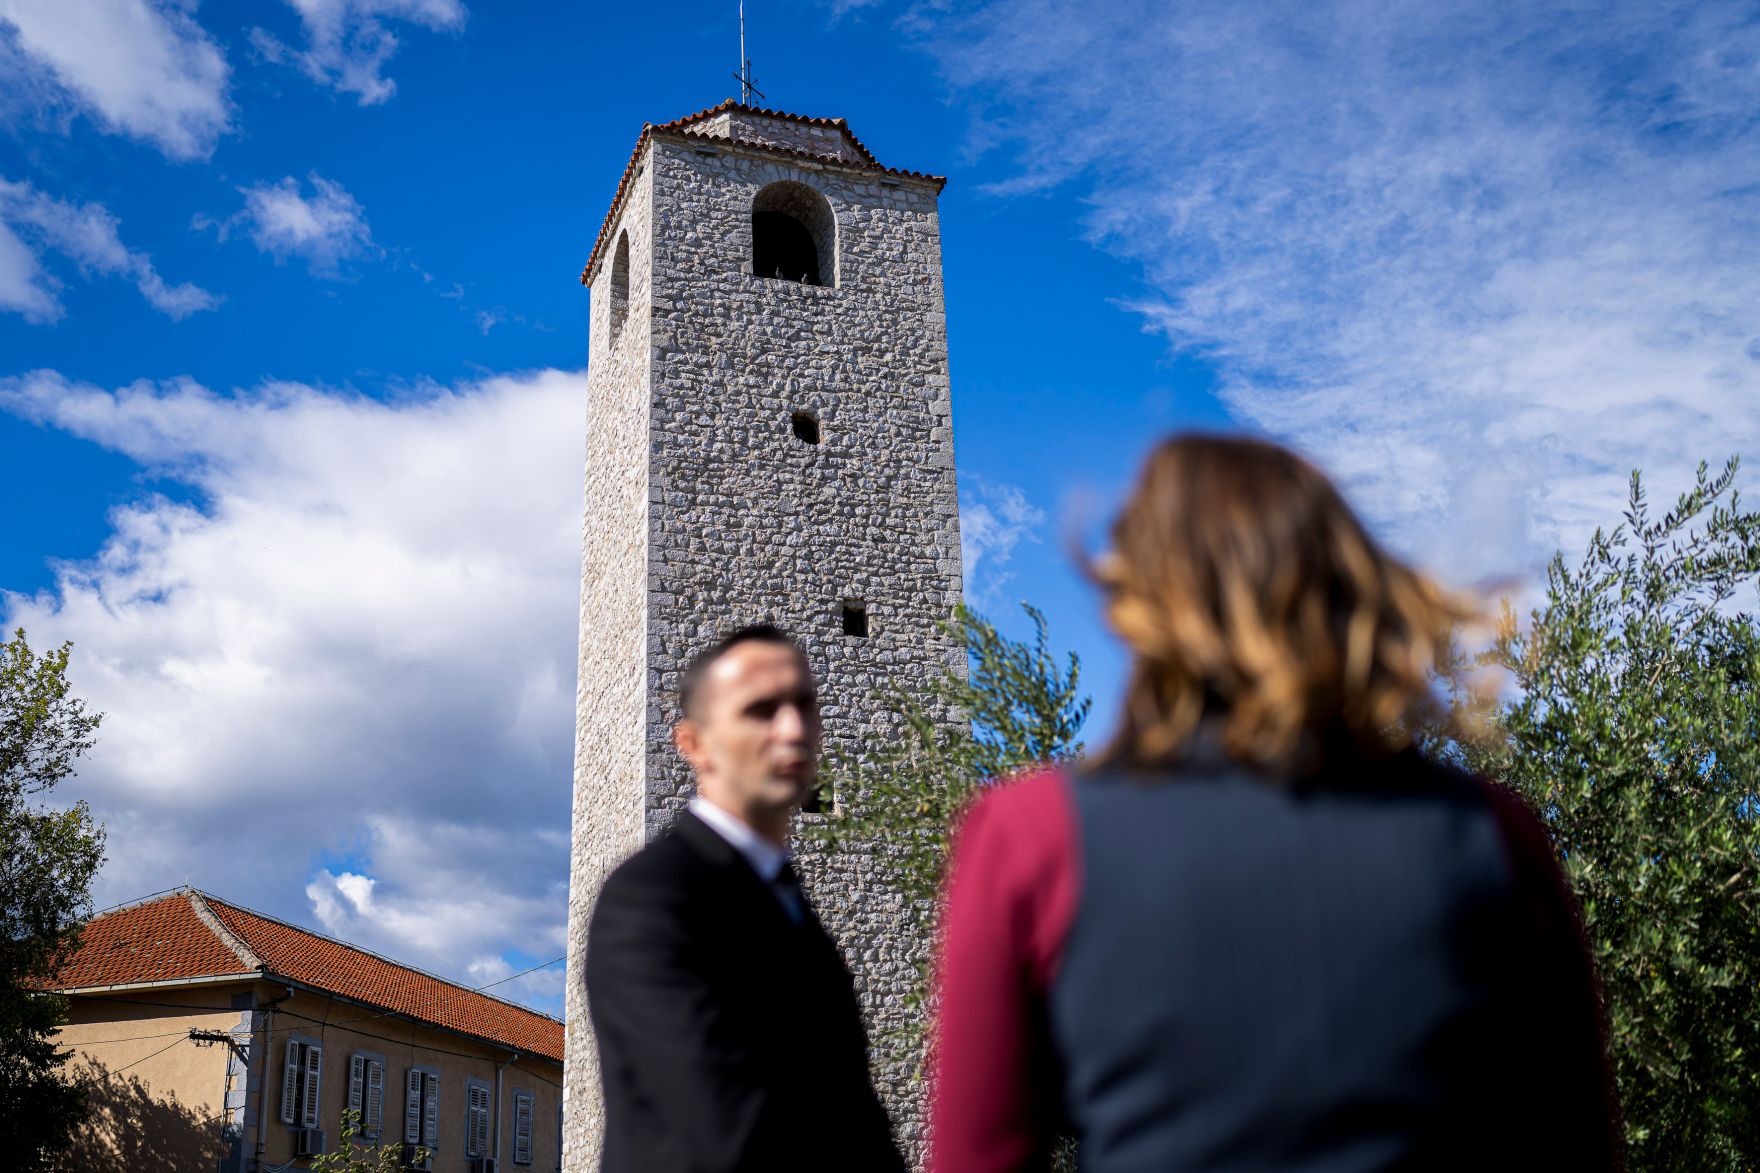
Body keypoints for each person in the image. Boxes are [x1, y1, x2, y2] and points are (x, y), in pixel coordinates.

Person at [929, 435, 1621, 1173]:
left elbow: (978, 1155)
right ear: (1345, 580)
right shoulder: (1494, 834)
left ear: (1150, 596)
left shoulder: (1032, 836)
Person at [585, 625, 905, 1173]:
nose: (793, 729)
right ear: (693, 744)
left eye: (805, 704)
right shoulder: (650, 898)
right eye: (761, 710)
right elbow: (723, 1123)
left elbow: (856, 1113)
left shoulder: (788, 903)